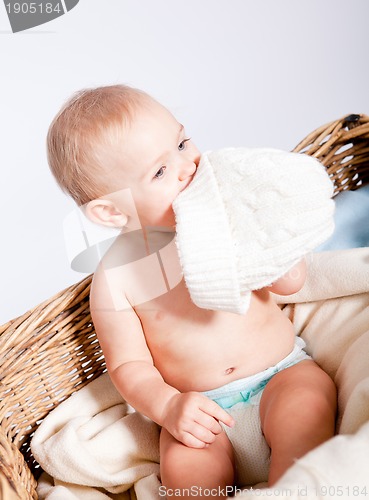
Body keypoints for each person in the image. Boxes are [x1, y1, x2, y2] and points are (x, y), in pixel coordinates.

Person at [47, 84, 337, 497]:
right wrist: (168, 407)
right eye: (160, 172)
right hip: (199, 409)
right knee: (188, 480)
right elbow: (129, 365)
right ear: (112, 211)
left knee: (305, 423)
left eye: (182, 142)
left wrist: (269, 243)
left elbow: (289, 282)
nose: (189, 166)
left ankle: (291, 490)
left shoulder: (228, 220)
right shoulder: (116, 278)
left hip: (283, 376)